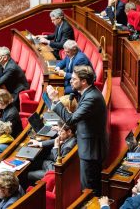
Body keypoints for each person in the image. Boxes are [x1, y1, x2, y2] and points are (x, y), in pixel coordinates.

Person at [47, 65, 108, 196]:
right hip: (90, 145)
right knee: (89, 185)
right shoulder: (88, 93)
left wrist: (56, 100)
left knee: (89, 189)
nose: (70, 81)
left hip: (91, 150)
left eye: (74, 79)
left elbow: (70, 120)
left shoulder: (91, 98)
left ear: (84, 81)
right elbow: (81, 119)